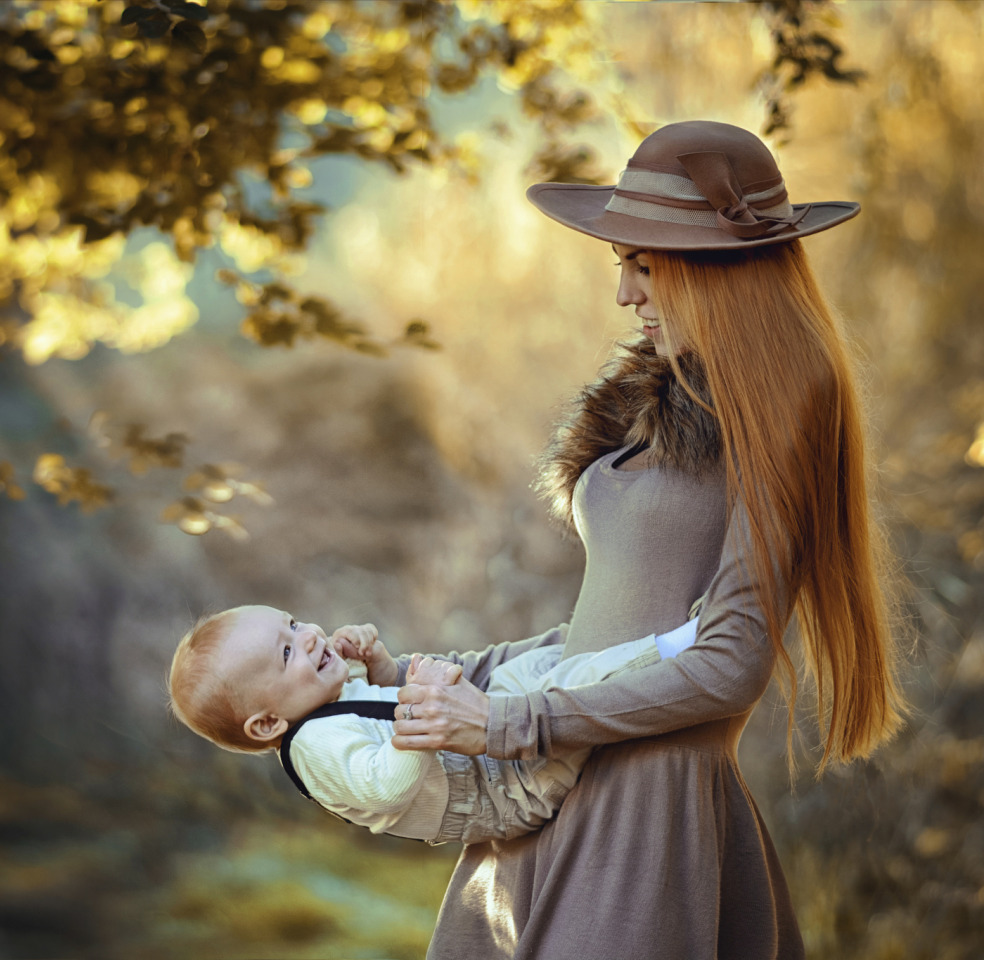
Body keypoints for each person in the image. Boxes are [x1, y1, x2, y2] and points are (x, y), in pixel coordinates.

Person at [387, 120, 906, 959]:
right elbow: (612, 635)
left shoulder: (782, 405)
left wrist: (514, 720)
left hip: (646, 810)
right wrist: (407, 677)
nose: (625, 295)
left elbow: (729, 663)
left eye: (644, 266)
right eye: (622, 266)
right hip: (556, 781)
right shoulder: (659, 395)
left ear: (714, 269)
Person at [167, 604, 701, 845]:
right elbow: (386, 785)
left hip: (495, 760)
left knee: (527, 669)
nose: (309, 635)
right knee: (564, 685)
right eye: (287, 651)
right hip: (507, 791)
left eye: (294, 621)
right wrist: (423, 709)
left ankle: (632, 629)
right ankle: (681, 648)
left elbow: (377, 702)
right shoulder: (314, 747)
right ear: (265, 725)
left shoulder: (325, 700)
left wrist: (381, 666)